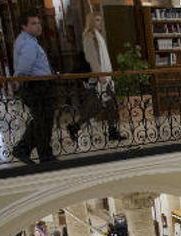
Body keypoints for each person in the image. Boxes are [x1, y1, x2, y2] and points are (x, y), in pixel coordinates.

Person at [67, 13, 126, 143]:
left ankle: (112, 131)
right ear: (91, 22)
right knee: (95, 107)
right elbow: (91, 57)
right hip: (97, 77)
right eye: (97, 20)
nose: (100, 23)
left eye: (100, 20)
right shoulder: (89, 36)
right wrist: (99, 74)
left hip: (105, 75)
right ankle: (74, 127)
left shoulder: (98, 36)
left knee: (110, 104)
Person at [12, 11, 57, 165]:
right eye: (33, 23)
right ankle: (41, 154)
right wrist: (19, 82)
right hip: (37, 86)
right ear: (24, 26)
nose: (38, 26)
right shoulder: (28, 43)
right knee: (43, 121)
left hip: (37, 85)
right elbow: (24, 68)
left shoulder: (28, 40)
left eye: (38, 22)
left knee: (41, 120)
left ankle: (32, 151)